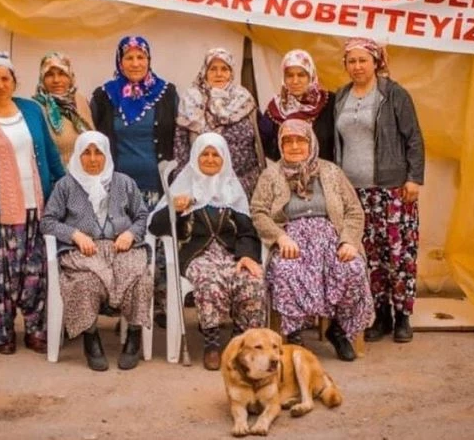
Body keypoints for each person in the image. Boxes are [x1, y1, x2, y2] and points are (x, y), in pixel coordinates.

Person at [0, 52, 65, 355]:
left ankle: (36, 330)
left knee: (36, 273)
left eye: (5, 78)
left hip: (38, 205)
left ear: (14, 81)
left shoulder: (31, 111)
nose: (0, 84)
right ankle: (1, 333)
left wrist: (63, 189)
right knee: (0, 276)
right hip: (1, 212)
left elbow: (50, 152)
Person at [251, 120, 373, 361]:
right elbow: (259, 211)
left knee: (353, 269)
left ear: (311, 142)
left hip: (332, 240)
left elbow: (354, 211)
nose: (294, 146)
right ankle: (294, 334)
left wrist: (348, 241)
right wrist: (280, 237)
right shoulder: (271, 174)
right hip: (292, 241)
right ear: (280, 145)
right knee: (286, 271)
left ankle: (338, 330)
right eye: (288, 141)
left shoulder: (331, 172)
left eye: (300, 140)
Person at [149, 133, 265, 370]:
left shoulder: (233, 190)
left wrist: (246, 256)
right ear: (195, 158)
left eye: (216, 155)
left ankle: (241, 340)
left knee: (251, 280)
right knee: (209, 280)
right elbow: (156, 226)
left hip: (231, 255)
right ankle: (212, 343)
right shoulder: (183, 186)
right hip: (196, 256)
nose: (210, 159)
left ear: (224, 160)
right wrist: (175, 208)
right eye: (205, 154)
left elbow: (247, 231)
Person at [335, 37, 425, 344]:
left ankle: (403, 317)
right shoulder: (341, 97)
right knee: (369, 257)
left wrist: (414, 178)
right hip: (355, 193)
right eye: (351, 61)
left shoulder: (393, 94)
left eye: (363, 60)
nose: (357, 66)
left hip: (392, 189)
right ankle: (381, 316)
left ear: (376, 62)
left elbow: (413, 138)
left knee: (398, 255)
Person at [40, 131, 152, 371]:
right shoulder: (66, 185)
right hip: (84, 251)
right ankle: (91, 340)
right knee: (84, 283)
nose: (92, 159)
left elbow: (142, 216)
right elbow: (48, 221)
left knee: (140, 279)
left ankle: (133, 336)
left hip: (121, 248)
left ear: (107, 155)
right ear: (78, 156)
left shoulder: (124, 182)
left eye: (98, 153)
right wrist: (75, 234)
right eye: (86, 153)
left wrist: (130, 233)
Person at [90, 35, 178, 327]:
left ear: (149, 59)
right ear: (120, 60)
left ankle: (158, 305)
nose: (136, 63)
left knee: (159, 247)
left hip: (157, 185)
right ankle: (127, 306)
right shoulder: (104, 95)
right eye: (129, 57)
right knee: (125, 247)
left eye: (141, 57)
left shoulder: (166, 93)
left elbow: (177, 137)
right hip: (119, 189)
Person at [174, 47, 265, 199]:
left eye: (224, 69)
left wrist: (249, 183)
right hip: (201, 188)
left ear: (231, 73)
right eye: (213, 69)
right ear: (205, 72)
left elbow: (257, 147)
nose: (219, 74)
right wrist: (186, 187)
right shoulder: (190, 102)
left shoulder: (244, 100)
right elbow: (181, 149)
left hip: (243, 186)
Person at [259, 48, 335, 162]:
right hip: (287, 176)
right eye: (290, 75)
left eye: (301, 75)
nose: (295, 81)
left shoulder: (328, 102)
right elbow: (264, 142)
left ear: (311, 76)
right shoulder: (276, 108)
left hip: (323, 174)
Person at [32, 52, 94, 165]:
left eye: (62, 73)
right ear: (42, 77)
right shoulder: (35, 108)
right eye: (49, 75)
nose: (56, 80)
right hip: (58, 178)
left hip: (86, 175)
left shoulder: (80, 100)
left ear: (70, 76)